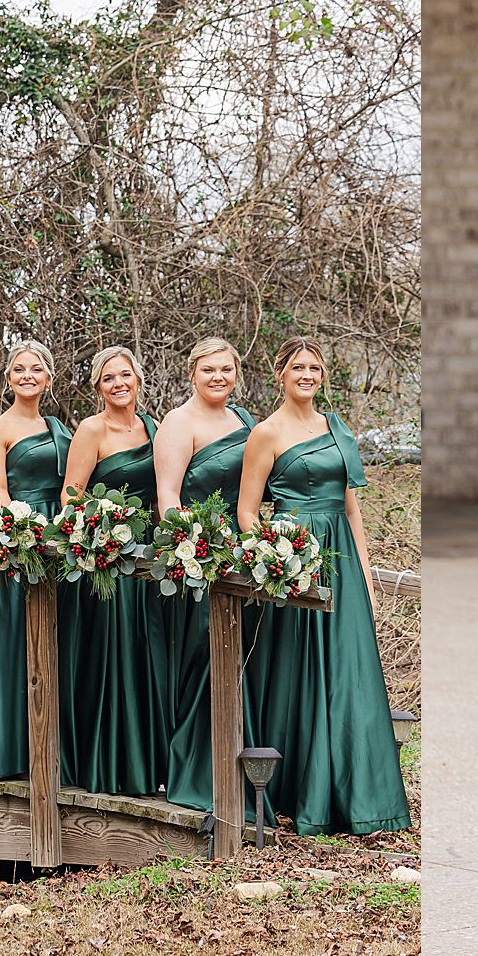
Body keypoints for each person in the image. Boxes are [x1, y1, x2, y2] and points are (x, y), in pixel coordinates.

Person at [237, 337, 410, 836]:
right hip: (295, 558)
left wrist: (367, 576)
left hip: (342, 559)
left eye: (314, 367)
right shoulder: (266, 434)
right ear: (280, 374)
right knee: (299, 671)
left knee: (350, 670)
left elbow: (351, 507)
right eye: (297, 367)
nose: (307, 374)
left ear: (323, 376)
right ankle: (298, 792)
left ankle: (360, 797)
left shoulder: (337, 429)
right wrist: (276, 556)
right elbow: (249, 510)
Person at [59, 345, 173, 795]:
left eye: (125, 375)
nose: (119, 384)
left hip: (148, 558)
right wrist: (100, 528)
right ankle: (106, 766)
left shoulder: (154, 427)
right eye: (109, 378)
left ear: (138, 379)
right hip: (107, 561)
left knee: (150, 655)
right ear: (98, 386)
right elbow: (70, 495)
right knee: (111, 657)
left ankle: (150, 767)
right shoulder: (92, 430)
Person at [154, 338, 262, 814]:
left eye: (226, 369)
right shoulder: (178, 423)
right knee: (202, 661)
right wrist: (195, 548)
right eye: (209, 370)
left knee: (239, 660)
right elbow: (168, 497)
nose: (218, 377)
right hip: (196, 562)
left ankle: (239, 774)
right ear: (192, 373)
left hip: (241, 558)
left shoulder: (244, 423)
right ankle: (195, 776)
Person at [0, 341, 70, 780]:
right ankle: (8, 752)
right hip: (20, 536)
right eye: (19, 369)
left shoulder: (59, 428)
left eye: (36, 369)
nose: (27, 375)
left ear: (48, 378)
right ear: (8, 378)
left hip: (59, 536)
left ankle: (55, 752)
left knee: (58, 636)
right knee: (16, 634)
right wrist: (21, 530)